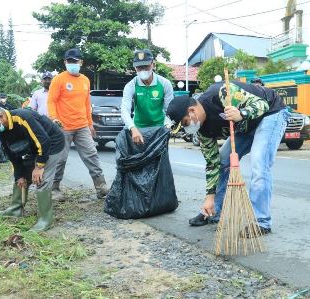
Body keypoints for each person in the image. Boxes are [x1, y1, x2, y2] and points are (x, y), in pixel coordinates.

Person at [166, 80, 288, 234]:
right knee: (224, 160)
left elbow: (261, 104)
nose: (186, 128)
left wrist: (242, 113)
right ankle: (214, 210)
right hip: (245, 125)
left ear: (192, 111)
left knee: (259, 162)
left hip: (270, 113)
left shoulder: (222, 93)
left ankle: (261, 221)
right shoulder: (202, 132)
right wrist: (209, 197)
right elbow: (212, 164)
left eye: (185, 123)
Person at [0, 100, 65, 232]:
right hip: (34, 146)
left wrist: (39, 167)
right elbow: (11, 152)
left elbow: (43, 141)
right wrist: (20, 175)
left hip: (51, 143)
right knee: (22, 178)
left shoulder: (23, 117)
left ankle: (46, 219)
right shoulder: (0, 128)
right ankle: (16, 209)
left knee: (40, 179)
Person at [48, 48, 108, 199]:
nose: (72, 64)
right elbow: (51, 101)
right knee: (60, 158)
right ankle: (54, 188)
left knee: (92, 155)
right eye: (70, 61)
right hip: (63, 127)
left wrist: (90, 123)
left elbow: (87, 103)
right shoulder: (59, 79)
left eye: (75, 61)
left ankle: (101, 186)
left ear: (81, 62)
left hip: (82, 125)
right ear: (65, 62)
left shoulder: (85, 80)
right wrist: (54, 118)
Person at [121, 49, 174, 143]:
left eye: (146, 66)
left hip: (159, 128)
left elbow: (169, 110)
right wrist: (132, 128)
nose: (143, 70)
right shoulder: (131, 85)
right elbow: (125, 110)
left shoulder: (165, 83)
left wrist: (167, 126)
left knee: (159, 157)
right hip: (138, 129)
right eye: (139, 67)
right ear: (135, 68)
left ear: (153, 64)